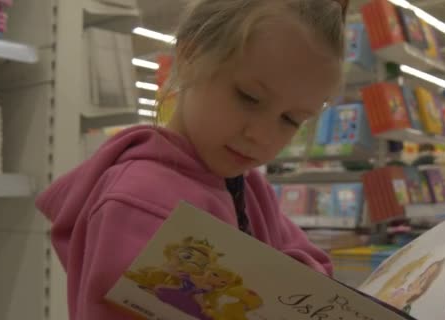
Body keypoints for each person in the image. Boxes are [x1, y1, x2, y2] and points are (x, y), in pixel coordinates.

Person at [35, 0, 348, 319]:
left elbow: (317, 267)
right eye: (249, 97)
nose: (263, 136)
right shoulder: (139, 201)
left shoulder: (249, 186)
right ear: (189, 55)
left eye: (291, 120)